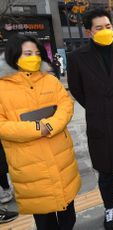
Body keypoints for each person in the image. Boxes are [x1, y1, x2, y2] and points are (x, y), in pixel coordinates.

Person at [67, 9, 113, 230]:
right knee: (105, 173)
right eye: (99, 28)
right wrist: (98, 107)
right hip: (99, 123)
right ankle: (109, 207)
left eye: (108, 26)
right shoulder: (76, 58)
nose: (105, 31)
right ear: (88, 31)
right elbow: (77, 90)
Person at [0, 34, 81, 230]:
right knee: (45, 222)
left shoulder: (50, 80)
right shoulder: (2, 88)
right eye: (28, 53)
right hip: (30, 166)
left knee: (68, 216)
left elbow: (65, 104)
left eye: (37, 53)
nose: (34, 57)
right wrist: (38, 128)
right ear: (14, 55)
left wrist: (52, 125)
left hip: (60, 159)